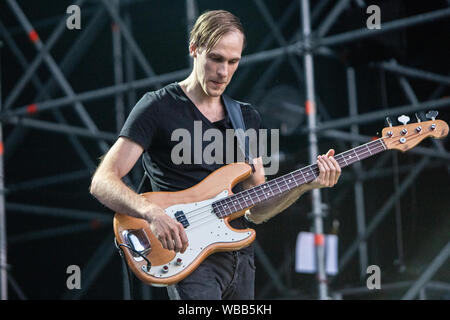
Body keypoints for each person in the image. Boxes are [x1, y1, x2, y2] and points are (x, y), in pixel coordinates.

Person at [89, 9, 341, 300]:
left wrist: (306, 184)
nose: (223, 72)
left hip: (240, 260)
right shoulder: (157, 107)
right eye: (216, 59)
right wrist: (151, 212)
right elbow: (102, 182)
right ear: (194, 49)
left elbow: (257, 210)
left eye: (233, 62)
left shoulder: (246, 117)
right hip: (188, 258)